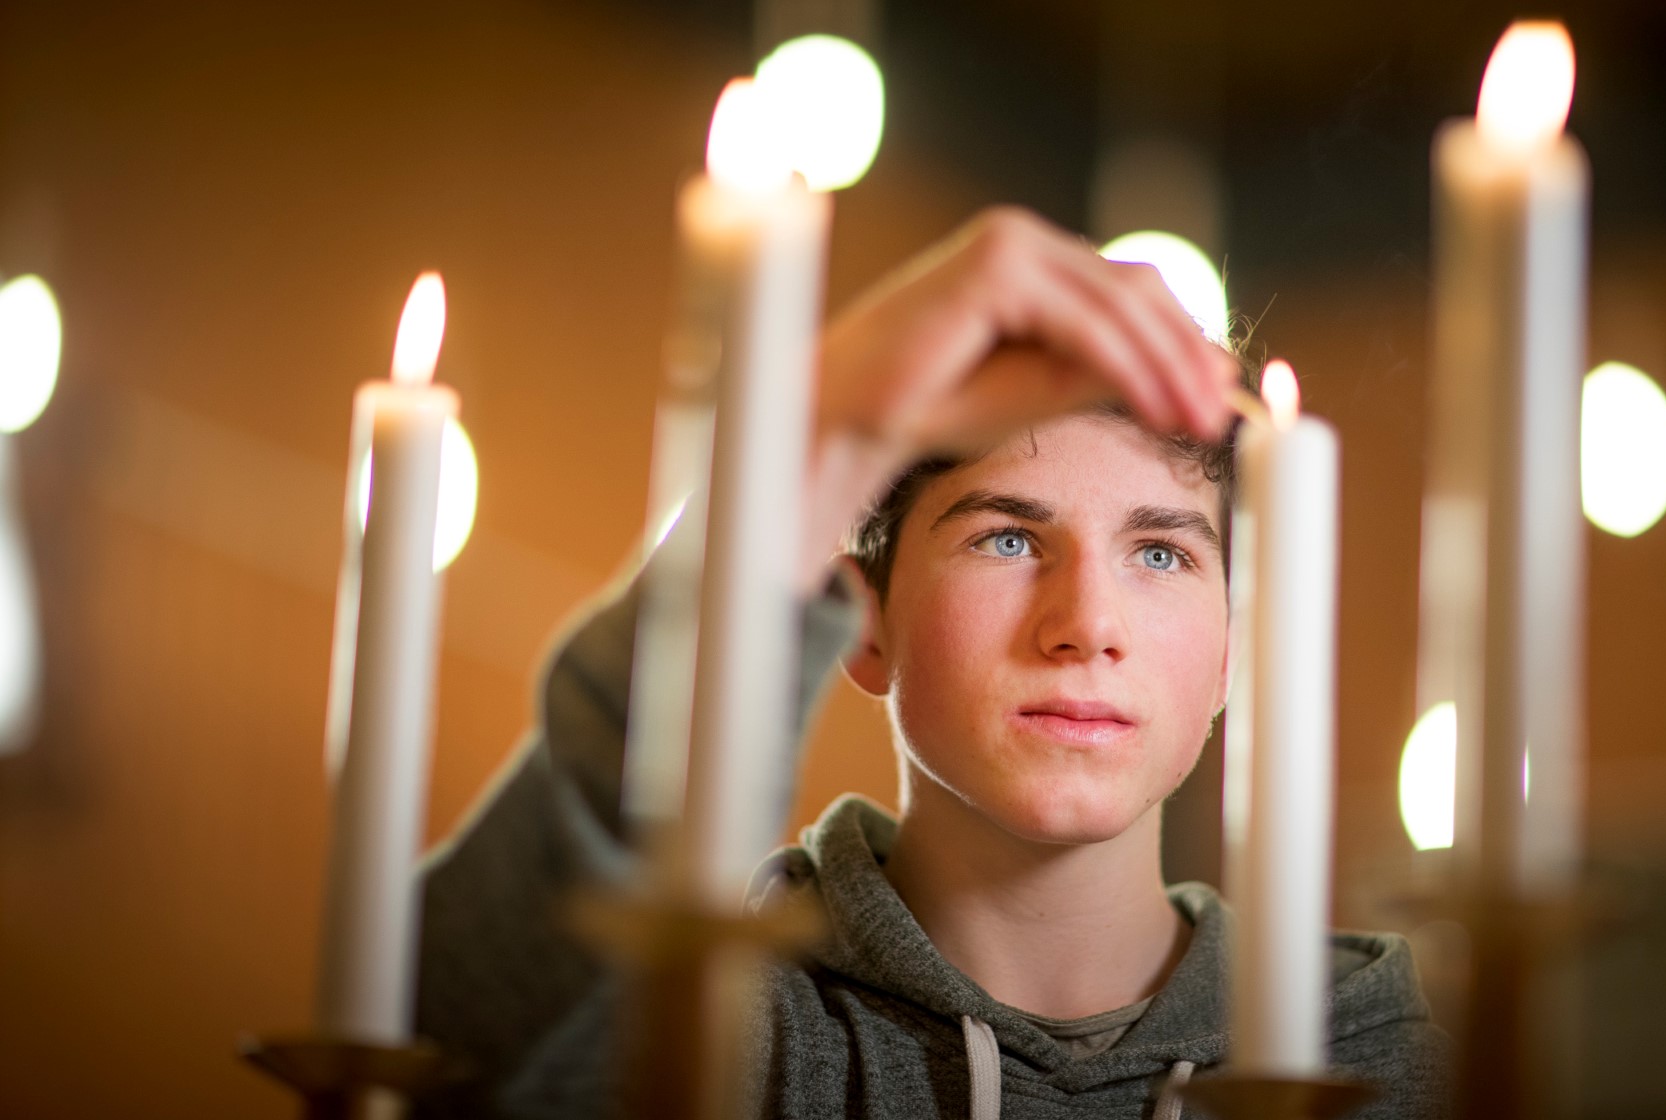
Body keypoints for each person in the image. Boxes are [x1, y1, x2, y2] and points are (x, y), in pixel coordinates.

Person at [415, 207, 1451, 1119]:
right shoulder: (700, 1019)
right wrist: (820, 432)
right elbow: (446, 1063)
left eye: (1159, 552)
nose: (1085, 623)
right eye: (1005, 538)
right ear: (863, 623)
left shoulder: (1378, 1057)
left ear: (1232, 652)